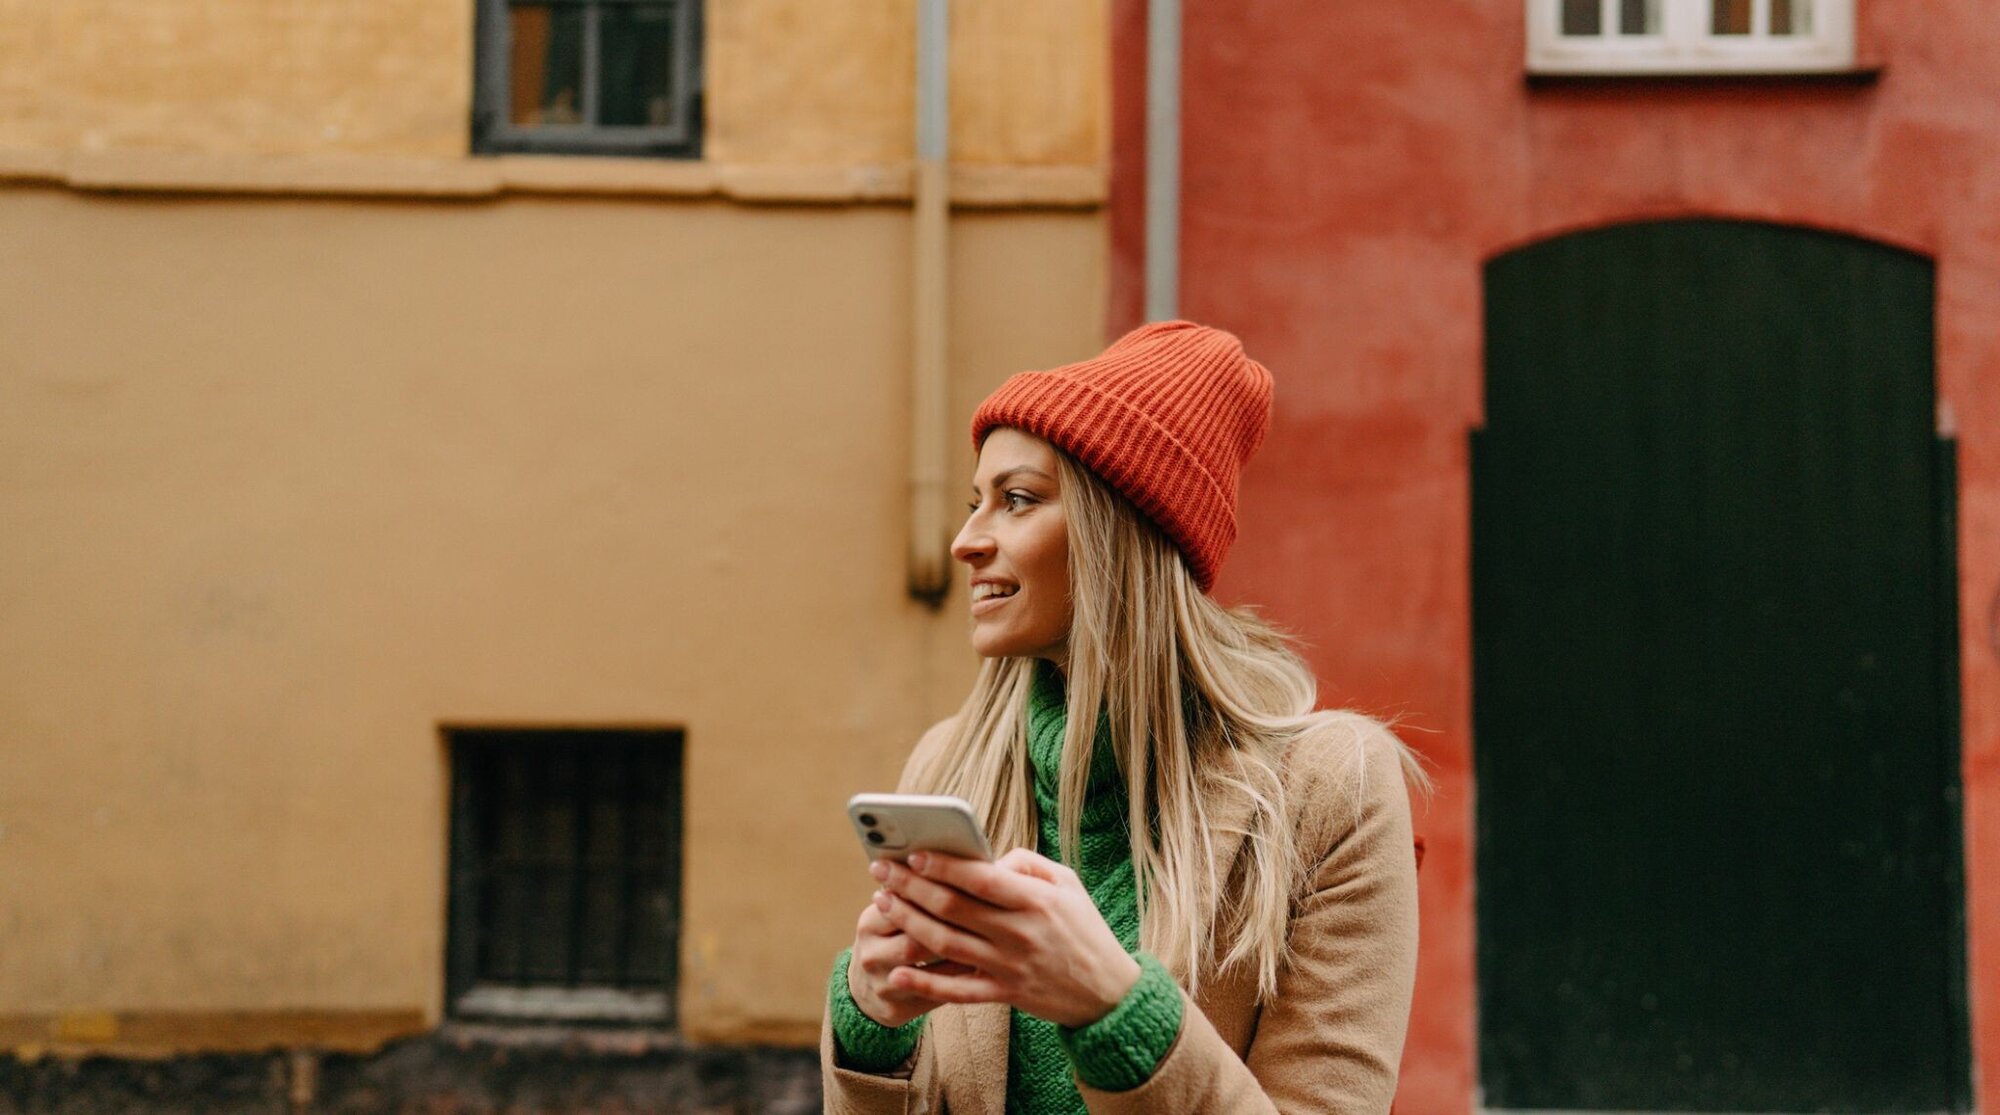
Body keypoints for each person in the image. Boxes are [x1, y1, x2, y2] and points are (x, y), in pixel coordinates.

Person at [820, 320, 1427, 1114]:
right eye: (976, 502)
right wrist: (872, 1028)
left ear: (1120, 532)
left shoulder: (1332, 789)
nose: (967, 540)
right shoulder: (950, 766)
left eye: (1017, 500)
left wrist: (1114, 1008)